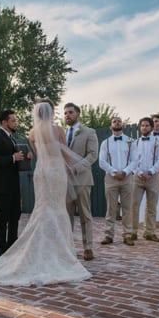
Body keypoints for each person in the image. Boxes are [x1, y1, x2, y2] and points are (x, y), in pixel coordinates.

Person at [0, 101, 91, 286]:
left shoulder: (32, 132)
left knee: (43, 208)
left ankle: (37, 248)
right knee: (58, 208)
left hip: (42, 172)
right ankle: (60, 251)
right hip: (56, 171)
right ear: (51, 113)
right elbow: (63, 153)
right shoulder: (58, 130)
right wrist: (78, 165)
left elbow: (37, 154)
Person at [63, 103, 98, 260]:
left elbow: (92, 155)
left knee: (85, 214)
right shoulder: (62, 134)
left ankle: (88, 247)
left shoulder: (89, 132)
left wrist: (77, 167)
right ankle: (68, 248)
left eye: (70, 112)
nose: (67, 115)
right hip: (65, 181)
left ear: (78, 114)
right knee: (66, 216)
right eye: (65, 113)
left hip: (82, 179)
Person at [0, 110, 25, 257]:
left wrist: (23, 157)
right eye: (13, 120)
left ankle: (12, 247)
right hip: (1, 185)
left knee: (15, 216)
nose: (16, 123)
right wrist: (13, 158)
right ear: (4, 122)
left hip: (13, 185)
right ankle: (2, 250)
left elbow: (14, 158)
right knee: (2, 218)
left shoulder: (12, 138)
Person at [98, 116, 135, 246]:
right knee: (111, 208)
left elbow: (135, 160)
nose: (117, 122)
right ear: (110, 126)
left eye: (119, 121)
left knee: (127, 208)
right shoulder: (105, 143)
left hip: (127, 177)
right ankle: (109, 235)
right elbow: (102, 161)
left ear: (122, 124)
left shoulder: (131, 141)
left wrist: (125, 172)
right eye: (114, 121)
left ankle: (127, 235)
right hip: (111, 178)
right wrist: (114, 172)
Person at [130, 117, 159, 242]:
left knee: (152, 206)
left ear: (151, 127)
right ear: (140, 128)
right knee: (134, 205)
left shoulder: (158, 142)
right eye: (142, 125)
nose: (144, 127)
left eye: (147, 125)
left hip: (153, 177)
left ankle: (149, 232)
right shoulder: (135, 143)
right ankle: (132, 232)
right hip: (137, 177)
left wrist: (151, 172)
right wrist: (139, 172)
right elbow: (132, 160)